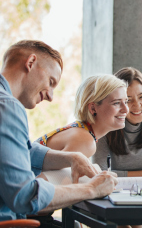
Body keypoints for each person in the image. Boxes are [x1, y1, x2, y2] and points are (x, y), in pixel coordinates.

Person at [0, 40, 118, 225]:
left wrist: (72, 158)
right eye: (51, 82)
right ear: (31, 63)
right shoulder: (8, 107)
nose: (50, 96)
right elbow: (24, 196)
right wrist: (91, 189)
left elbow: (23, 150)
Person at [93, 67, 142, 179]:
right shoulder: (106, 124)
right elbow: (99, 174)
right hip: (114, 190)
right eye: (128, 100)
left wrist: (118, 174)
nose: (137, 105)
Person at [36, 74, 129, 158]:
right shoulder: (85, 141)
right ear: (93, 108)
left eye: (126, 102)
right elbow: (47, 176)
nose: (126, 109)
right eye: (116, 103)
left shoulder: (82, 131)